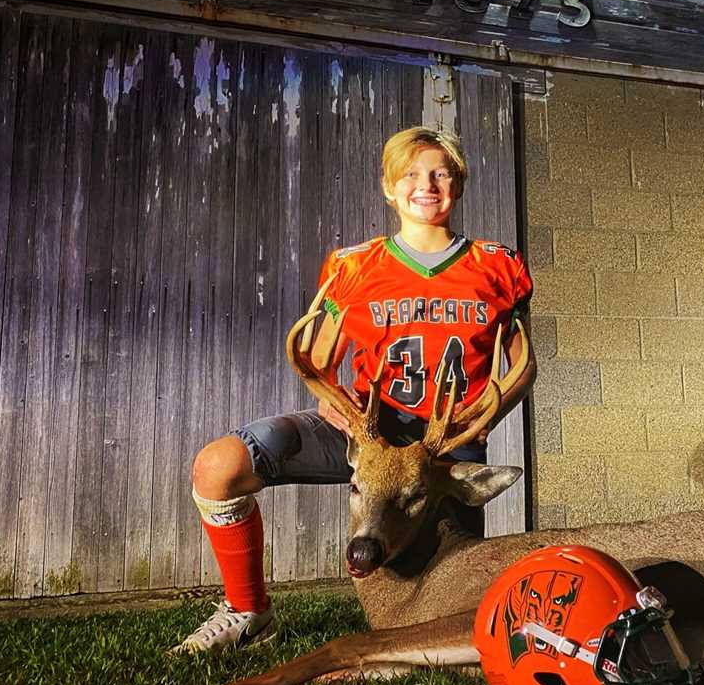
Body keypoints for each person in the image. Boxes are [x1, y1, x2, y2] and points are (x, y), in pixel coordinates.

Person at [172, 126, 533, 653]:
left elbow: (521, 366)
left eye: (440, 173)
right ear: (389, 188)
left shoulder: (498, 266)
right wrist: (329, 397)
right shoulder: (355, 266)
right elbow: (319, 357)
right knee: (218, 466)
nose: (425, 185)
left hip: (441, 450)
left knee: (451, 606)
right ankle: (248, 611)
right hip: (366, 432)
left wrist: (485, 414)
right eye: (410, 174)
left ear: (459, 183)